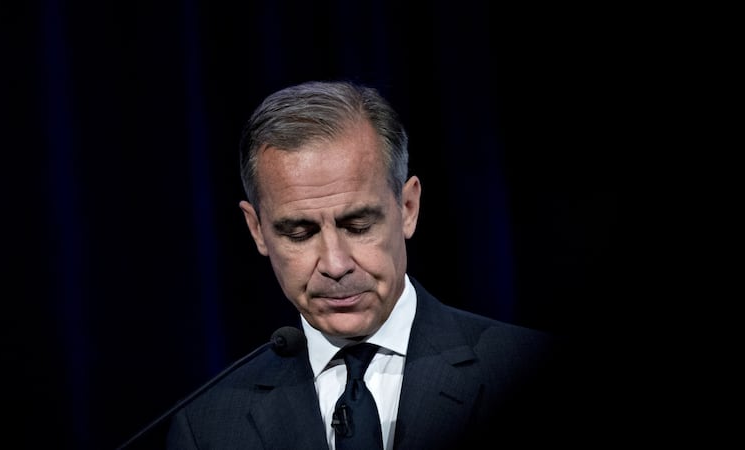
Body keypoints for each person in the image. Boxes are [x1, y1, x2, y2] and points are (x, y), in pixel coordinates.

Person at [166, 80, 577, 449]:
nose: (335, 264)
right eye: (299, 233)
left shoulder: (528, 368)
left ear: (408, 207)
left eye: (358, 225)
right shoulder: (208, 426)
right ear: (257, 230)